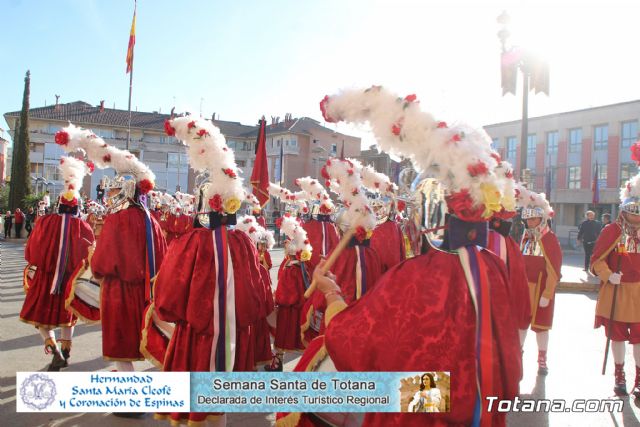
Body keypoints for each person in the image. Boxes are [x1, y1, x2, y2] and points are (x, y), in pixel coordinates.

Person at [277, 86, 521, 426]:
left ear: (432, 208)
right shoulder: (490, 264)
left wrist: (331, 294)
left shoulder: (420, 274)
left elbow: (360, 344)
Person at [154, 116, 263, 426]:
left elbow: (171, 290)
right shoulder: (241, 241)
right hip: (233, 333)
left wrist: (170, 309)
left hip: (197, 335)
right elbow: (255, 292)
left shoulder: (193, 242)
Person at [55, 124, 166, 378]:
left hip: (121, 292)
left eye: (115, 189)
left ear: (126, 189)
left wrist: (95, 263)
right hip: (146, 290)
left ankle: (129, 400)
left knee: (121, 347)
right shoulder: (152, 220)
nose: (111, 194)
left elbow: (103, 263)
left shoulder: (119, 219)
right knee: (140, 340)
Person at [19, 157, 94, 370]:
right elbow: (89, 254)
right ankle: (66, 350)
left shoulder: (45, 222)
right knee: (67, 318)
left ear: (59, 203)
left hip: (45, 278)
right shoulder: (83, 226)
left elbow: (31, 251)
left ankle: (54, 349)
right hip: (70, 280)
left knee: (40, 318)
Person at [591, 144, 640, 397]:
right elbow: (597, 260)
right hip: (618, 291)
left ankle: (639, 378)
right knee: (618, 336)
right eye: (633, 209)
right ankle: (619, 374)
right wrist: (609, 274)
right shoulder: (612, 231)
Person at [517, 185, 563, 376]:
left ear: (542, 218)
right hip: (524, 287)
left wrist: (547, 293)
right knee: (521, 323)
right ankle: (517, 353)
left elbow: (554, 270)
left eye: (533, 218)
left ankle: (542, 358)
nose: (530, 222)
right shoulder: (525, 238)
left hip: (542, 288)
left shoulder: (549, 239)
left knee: (542, 326)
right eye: (527, 219)